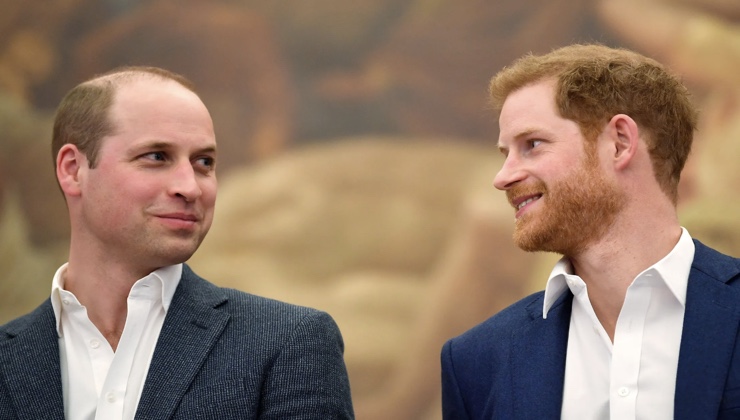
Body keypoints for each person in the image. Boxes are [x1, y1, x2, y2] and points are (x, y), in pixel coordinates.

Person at [0, 66, 354, 419]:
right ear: (73, 169)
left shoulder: (289, 344)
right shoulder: (7, 360)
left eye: (204, 162)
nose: (191, 186)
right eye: (156, 156)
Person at [440, 43, 740, 419]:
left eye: (532, 144)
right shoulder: (478, 360)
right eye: (506, 154)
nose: (502, 178)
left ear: (620, 143)